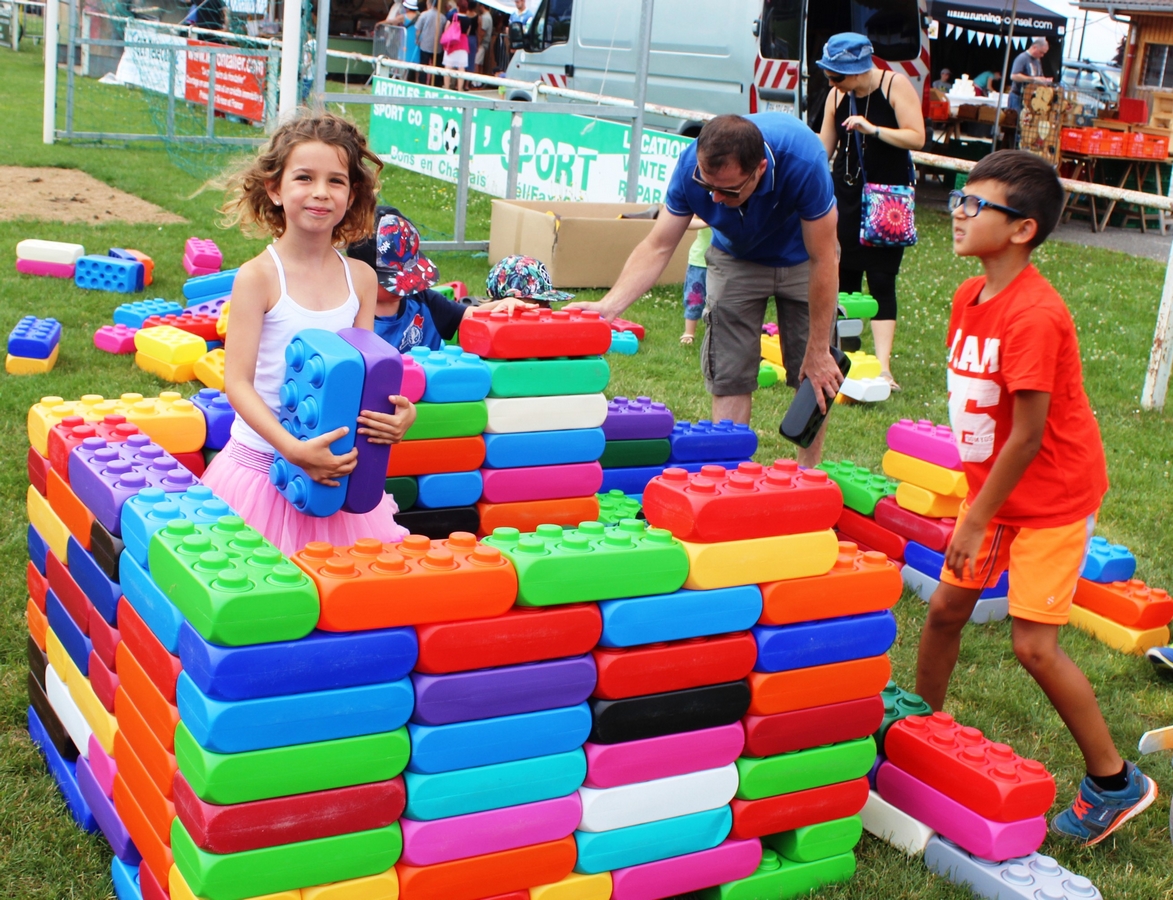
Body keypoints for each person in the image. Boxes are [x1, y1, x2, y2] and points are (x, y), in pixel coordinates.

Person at [915, 149, 1157, 846]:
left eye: (974, 204)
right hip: (993, 497)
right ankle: (916, 730)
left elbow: (1026, 437)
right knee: (945, 610)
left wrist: (976, 518)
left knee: (1034, 647)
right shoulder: (969, 296)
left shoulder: (1035, 315)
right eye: (959, 199)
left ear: (1022, 229)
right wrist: (980, 508)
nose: (957, 213)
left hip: (1048, 501)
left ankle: (1115, 781)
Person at [567, 114, 843, 467]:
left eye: (728, 190)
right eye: (706, 184)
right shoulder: (690, 166)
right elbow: (659, 246)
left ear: (759, 169)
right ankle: (729, 472)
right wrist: (610, 306)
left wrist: (818, 349)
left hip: (804, 258)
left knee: (815, 374)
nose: (714, 197)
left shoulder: (803, 159)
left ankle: (808, 475)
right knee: (729, 371)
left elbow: (824, 258)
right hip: (736, 257)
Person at [206, 112, 416, 555]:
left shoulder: (361, 279)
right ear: (275, 189)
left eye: (335, 181)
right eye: (304, 177)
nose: (321, 192)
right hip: (261, 471)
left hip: (333, 475)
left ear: (351, 195)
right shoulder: (258, 277)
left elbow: (365, 375)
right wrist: (292, 449)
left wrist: (397, 416)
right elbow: (237, 384)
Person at [818, 32, 925, 391]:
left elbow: (916, 136)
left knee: (881, 280)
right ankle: (845, 358)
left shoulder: (895, 85)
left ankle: (883, 368)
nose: (831, 83)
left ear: (858, 70)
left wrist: (874, 130)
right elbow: (824, 148)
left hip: (886, 201)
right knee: (843, 278)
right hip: (844, 196)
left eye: (836, 76)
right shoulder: (837, 95)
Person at [347, 209, 540, 352]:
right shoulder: (348, 311)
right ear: (359, 271)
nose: (404, 287)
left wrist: (501, 305)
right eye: (393, 281)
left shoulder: (423, 301)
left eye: (409, 276)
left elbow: (470, 315)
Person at [681, 227, 711, 345]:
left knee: (721, 300)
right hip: (700, 262)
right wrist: (707, 221)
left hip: (726, 263)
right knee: (695, 298)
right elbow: (688, 223)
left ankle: (719, 332)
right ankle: (689, 332)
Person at [1008, 37, 1051, 111]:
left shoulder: (1037, 60)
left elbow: (1040, 76)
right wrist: (1033, 79)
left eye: (1044, 53)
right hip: (1017, 97)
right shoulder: (1022, 58)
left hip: (1030, 98)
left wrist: (1044, 80)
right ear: (1034, 47)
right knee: (1015, 117)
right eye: (1041, 52)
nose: (1042, 55)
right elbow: (1013, 76)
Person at [441, 0, 474, 90]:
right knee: (461, 67)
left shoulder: (452, 16)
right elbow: (467, 33)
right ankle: (460, 89)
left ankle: (447, 87)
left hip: (452, 42)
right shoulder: (468, 20)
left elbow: (446, 28)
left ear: (458, 7)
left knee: (448, 66)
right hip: (463, 43)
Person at [415, 0, 440, 85]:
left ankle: (422, 82)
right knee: (436, 66)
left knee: (423, 65)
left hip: (425, 44)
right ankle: (436, 84)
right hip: (437, 46)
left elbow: (418, 30)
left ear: (429, 3)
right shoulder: (442, 17)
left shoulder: (423, 15)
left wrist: (417, 39)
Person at [476, 1, 493, 73]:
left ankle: (475, 79)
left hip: (482, 44)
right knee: (480, 63)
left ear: (482, 6)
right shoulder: (488, 16)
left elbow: (482, 32)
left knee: (476, 63)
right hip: (484, 43)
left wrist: (478, 43)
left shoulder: (485, 17)